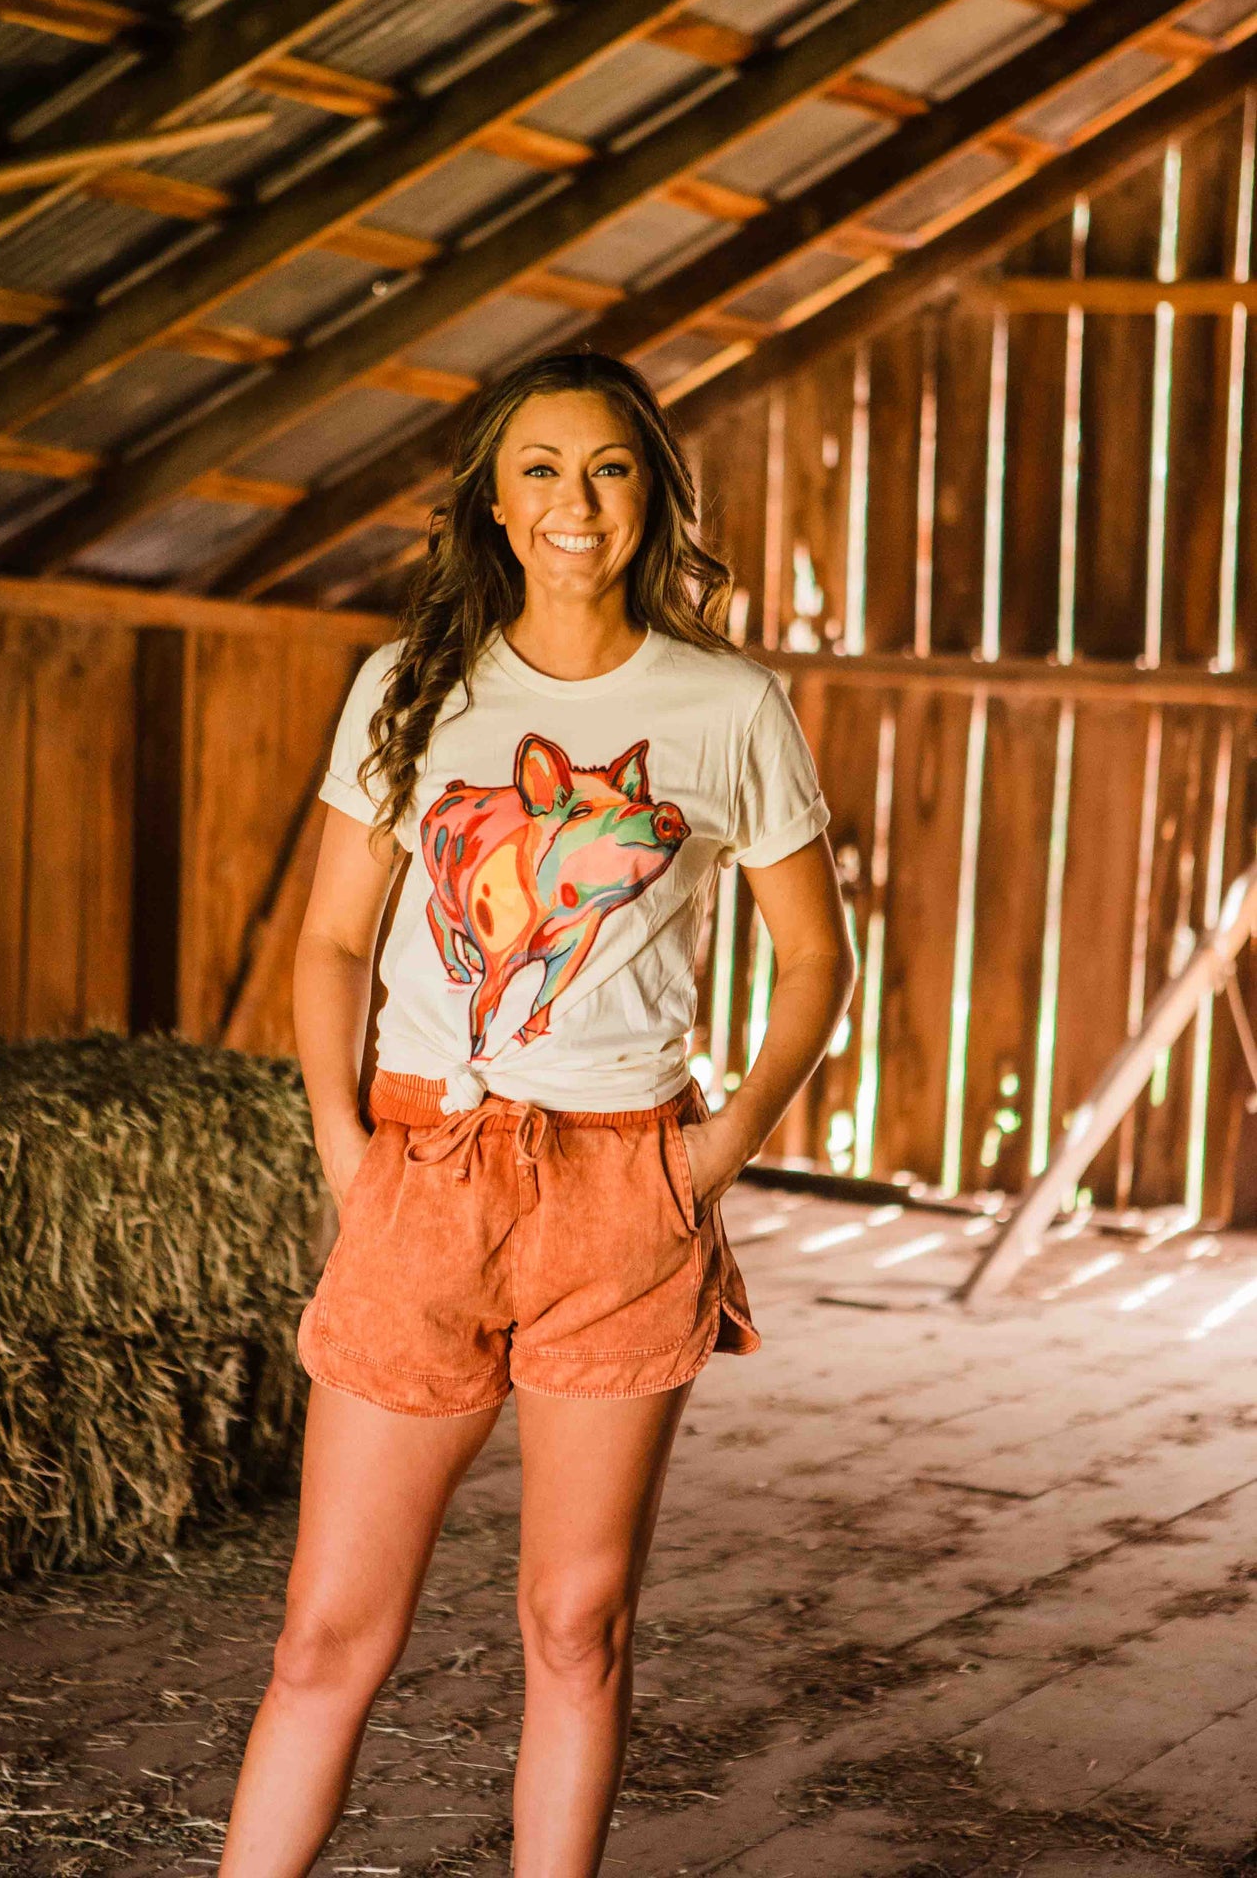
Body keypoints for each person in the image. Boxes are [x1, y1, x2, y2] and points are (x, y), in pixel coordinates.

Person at [218, 349, 855, 1877]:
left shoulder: (726, 707)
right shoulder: (411, 686)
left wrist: (714, 1152)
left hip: (622, 1197)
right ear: (494, 506)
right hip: (424, 1173)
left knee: (577, 1625)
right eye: (542, 470)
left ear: (652, 497)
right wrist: (348, 1153)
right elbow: (330, 941)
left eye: (609, 467)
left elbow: (816, 958)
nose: (577, 500)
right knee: (324, 1636)